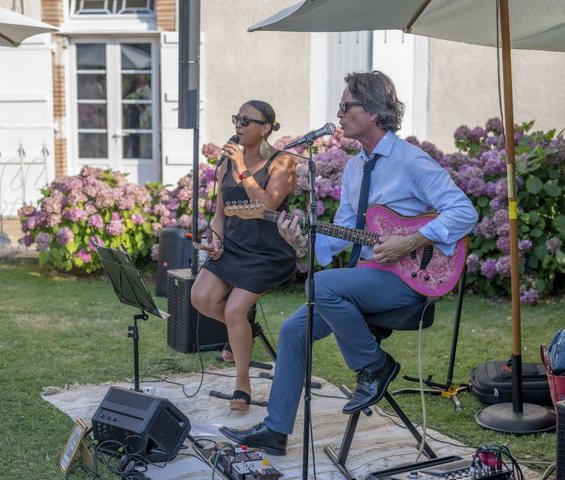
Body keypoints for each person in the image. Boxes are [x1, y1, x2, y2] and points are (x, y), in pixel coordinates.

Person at [219, 71, 478, 455]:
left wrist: (412, 239)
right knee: (294, 330)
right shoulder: (355, 167)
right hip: (367, 276)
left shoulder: (410, 160)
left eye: (346, 106)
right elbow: (342, 231)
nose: (338, 114)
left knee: (320, 287)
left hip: (409, 281)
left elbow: (464, 212)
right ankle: (275, 430)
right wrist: (301, 241)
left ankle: (374, 366)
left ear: (373, 111)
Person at [190, 100, 296, 411]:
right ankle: (242, 333)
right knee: (200, 297)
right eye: (237, 118)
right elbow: (219, 214)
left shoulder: (283, 162)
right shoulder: (225, 165)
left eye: (246, 120)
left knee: (235, 311)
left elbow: (267, 206)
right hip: (234, 246)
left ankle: (242, 384)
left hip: (268, 251)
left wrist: (242, 168)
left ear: (265, 129)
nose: (238, 124)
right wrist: (217, 240)